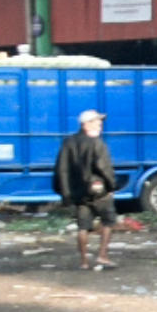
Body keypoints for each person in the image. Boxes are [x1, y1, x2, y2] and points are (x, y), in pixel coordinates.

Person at [54, 109, 119, 272]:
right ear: (86, 125)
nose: (100, 124)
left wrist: (66, 193)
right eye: (97, 121)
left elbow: (61, 168)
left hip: (79, 194)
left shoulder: (68, 142)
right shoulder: (97, 143)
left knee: (83, 227)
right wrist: (112, 186)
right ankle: (102, 255)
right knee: (108, 221)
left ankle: (83, 261)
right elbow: (104, 167)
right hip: (99, 191)